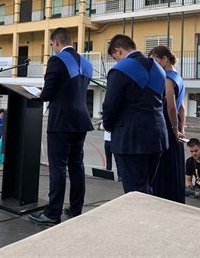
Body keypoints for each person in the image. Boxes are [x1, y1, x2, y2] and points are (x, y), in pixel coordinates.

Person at [29, 28, 93, 226]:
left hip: (61, 122)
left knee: (58, 167)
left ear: (56, 43)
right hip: (81, 120)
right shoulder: (86, 63)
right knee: (76, 165)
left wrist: (39, 93)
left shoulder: (57, 61)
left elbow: (47, 93)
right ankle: (75, 208)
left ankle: (52, 212)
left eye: (52, 45)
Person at [102, 34, 167, 195]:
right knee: (147, 187)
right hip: (157, 137)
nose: (116, 61)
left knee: (133, 193)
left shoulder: (121, 70)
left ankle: (137, 220)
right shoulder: (158, 69)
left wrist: (109, 126)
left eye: (115, 57)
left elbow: (110, 106)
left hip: (130, 140)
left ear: (118, 51)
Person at [150, 46, 186, 203]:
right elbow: (182, 108)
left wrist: (173, 129)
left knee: (164, 168)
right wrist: (181, 128)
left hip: (167, 126)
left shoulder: (167, 78)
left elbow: (171, 107)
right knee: (175, 168)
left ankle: (164, 200)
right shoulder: (178, 77)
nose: (154, 64)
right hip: (176, 127)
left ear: (164, 59)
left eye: (155, 60)